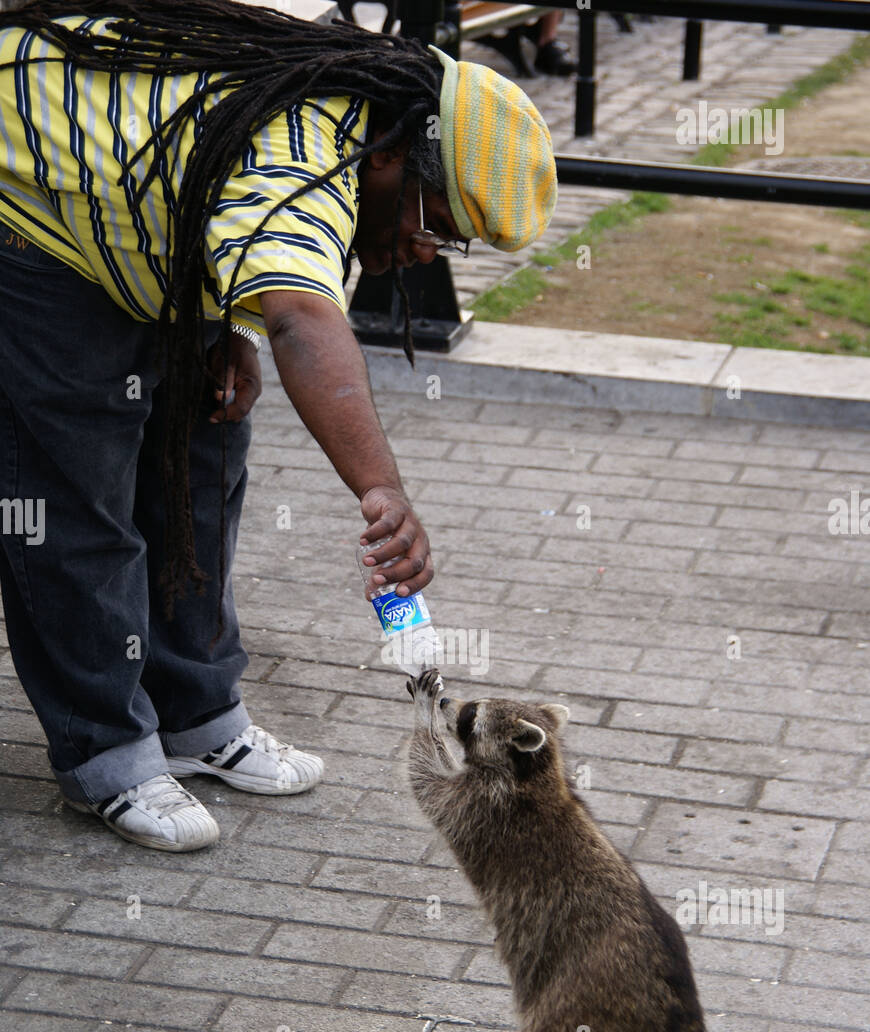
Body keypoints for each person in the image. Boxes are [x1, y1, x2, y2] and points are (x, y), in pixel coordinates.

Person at [0, 0, 556, 852]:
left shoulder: (348, 134)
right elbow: (301, 317)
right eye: (434, 224)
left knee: (206, 448)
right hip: (32, 211)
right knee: (79, 491)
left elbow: (203, 190)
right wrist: (383, 491)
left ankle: (197, 714)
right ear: (398, 156)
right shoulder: (302, 163)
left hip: (137, 221)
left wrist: (225, 333)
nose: (424, 252)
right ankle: (106, 752)